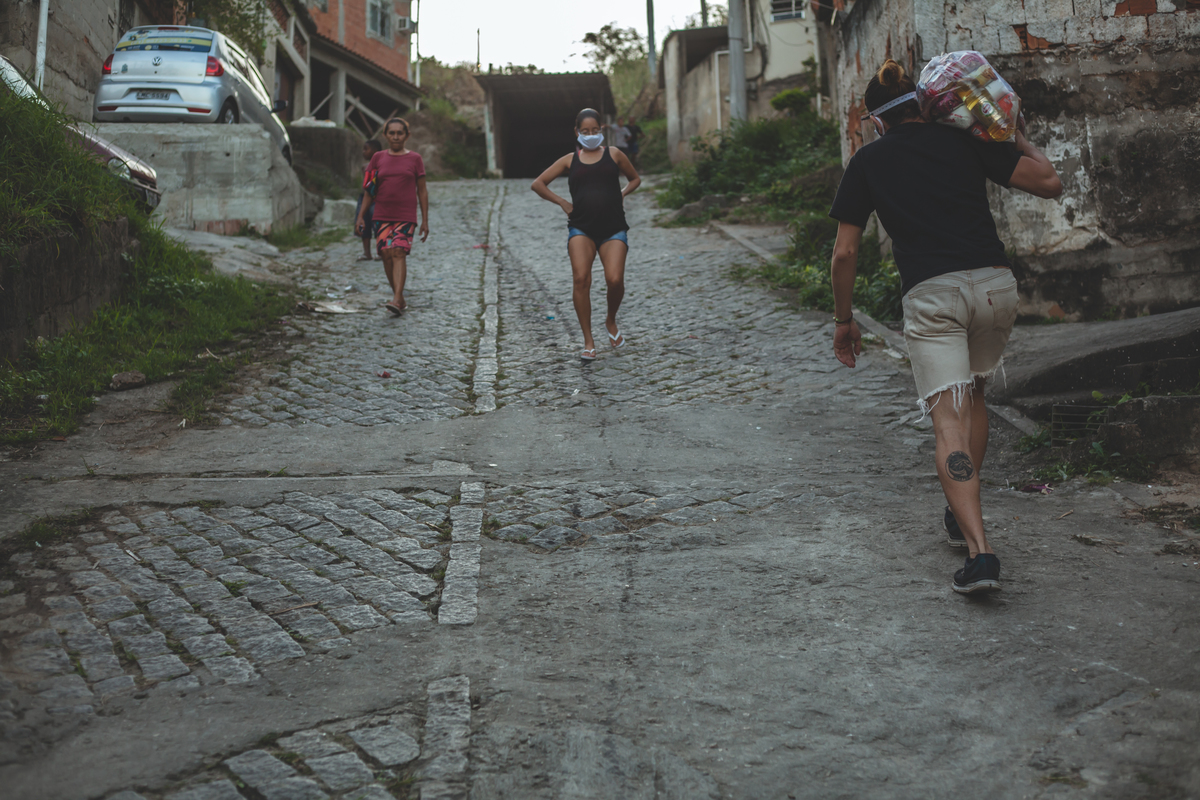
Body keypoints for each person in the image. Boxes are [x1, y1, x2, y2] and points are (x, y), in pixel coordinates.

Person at [828, 59, 1061, 594]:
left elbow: (844, 253)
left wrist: (844, 320)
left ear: (877, 121)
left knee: (948, 423)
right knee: (973, 396)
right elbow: (1050, 182)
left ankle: (981, 554)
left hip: (934, 296)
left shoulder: (868, 160)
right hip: (995, 288)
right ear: (925, 104)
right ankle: (959, 515)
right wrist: (1016, 134)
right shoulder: (966, 140)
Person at [530, 108, 641, 361]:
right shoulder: (570, 160)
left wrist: (622, 193)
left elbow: (635, 179)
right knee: (581, 279)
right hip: (581, 227)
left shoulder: (615, 154)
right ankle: (588, 341)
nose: (590, 135)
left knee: (615, 279)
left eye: (594, 130)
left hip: (613, 227)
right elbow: (538, 184)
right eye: (585, 131)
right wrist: (562, 202)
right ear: (577, 132)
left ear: (601, 129)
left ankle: (610, 320)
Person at [355, 118, 429, 316]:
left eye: (400, 133)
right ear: (385, 135)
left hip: (405, 215)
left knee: (398, 252)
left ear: (407, 135)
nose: (396, 137)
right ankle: (400, 298)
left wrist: (425, 220)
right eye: (392, 133)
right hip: (382, 215)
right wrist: (361, 216)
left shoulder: (415, 159)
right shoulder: (377, 158)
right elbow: (369, 191)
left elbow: (422, 191)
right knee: (386, 254)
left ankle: (396, 298)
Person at [354, 138, 382, 261]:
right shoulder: (364, 167)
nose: (363, 152)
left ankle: (381, 251)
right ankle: (367, 252)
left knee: (378, 225)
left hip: (376, 199)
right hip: (363, 197)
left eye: (366, 149)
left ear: (375, 151)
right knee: (363, 224)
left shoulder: (382, 165)